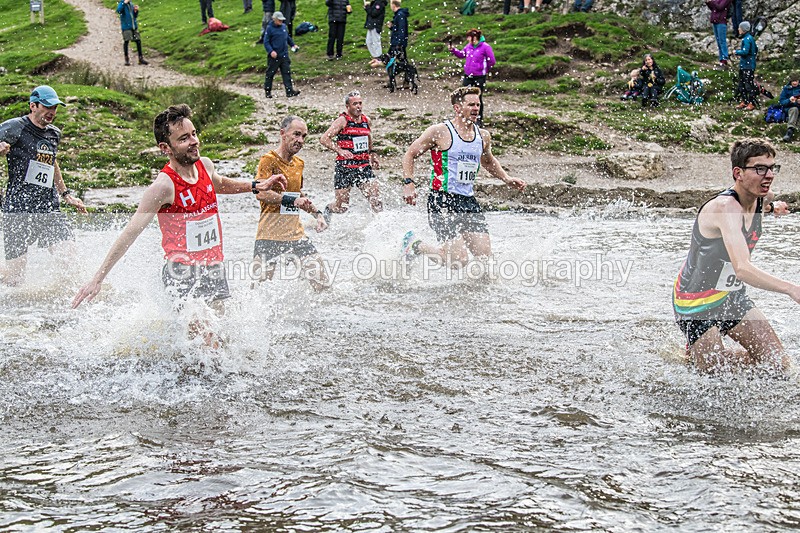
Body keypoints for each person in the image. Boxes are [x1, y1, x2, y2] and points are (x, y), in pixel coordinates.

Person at [71, 104, 287, 345]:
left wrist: (257, 185)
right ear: (166, 148)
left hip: (213, 267)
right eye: (184, 138)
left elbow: (219, 184)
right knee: (208, 340)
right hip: (180, 273)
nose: (194, 141)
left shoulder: (204, 165)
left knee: (220, 340)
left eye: (194, 134)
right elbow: (131, 231)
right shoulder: (163, 187)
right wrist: (98, 279)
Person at [672, 139, 799, 373]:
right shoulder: (724, 207)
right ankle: (699, 358)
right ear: (738, 173)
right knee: (714, 374)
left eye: (772, 168)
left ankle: (699, 357)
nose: (769, 175)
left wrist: (774, 208)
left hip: (731, 295)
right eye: (760, 168)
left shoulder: (761, 196)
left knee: (777, 366)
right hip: (696, 301)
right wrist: (792, 288)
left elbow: (767, 200)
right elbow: (742, 268)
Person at [400, 87, 526, 267]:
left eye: (478, 104)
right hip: (442, 200)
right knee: (458, 261)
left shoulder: (483, 136)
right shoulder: (439, 131)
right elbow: (410, 154)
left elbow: (488, 161)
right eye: (471, 105)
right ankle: (415, 245)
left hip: (468, 201)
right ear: (457, 108)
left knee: (485, 261)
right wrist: (408, 183)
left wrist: (506, 178)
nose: (476, 108)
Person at [0, 86, 87, 286]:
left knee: (69, 261)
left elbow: (51, 162)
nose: (52, 112)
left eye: (55, 108)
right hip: (18, 209)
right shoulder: (15, 127)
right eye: (47, 107)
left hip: (48, 207)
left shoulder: (53, 133)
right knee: (14, 280)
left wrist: (66, 194)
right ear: (33, 106)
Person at [252, 116, 330, 291]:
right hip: (269, 235)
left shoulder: (299, 164)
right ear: (283, 134)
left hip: (296, 235)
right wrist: (293, 200)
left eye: (304, 136)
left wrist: (318, 214)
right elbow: (261, 193)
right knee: (258, 292)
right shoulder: (268, 160)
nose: (300, 140)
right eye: (296, 134)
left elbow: (298, 194)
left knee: (322, 283)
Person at [319, 90, 383, 224]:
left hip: (363, 166)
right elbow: (324, 139)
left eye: (360, 103)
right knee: (341, 207)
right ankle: (328, 210)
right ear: (348, 106)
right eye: (355, 104)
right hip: (345, 168)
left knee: (376, 201)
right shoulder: (342, 121)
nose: (358, 106)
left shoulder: (366, 120)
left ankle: (380, 228)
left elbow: (368, 137)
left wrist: (372, 154)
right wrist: (339, 150)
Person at [449, 29, 495, 126]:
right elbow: (462, 54)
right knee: (463, 96)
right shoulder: (469, 46)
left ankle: (478, 119)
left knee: (478, 98)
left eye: (469, 37)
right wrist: (454, 50)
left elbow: (492, 61)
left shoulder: (485, 47)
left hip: (479, 77)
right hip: (468, 75)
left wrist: (484, 70)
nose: (467, 39)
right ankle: (463, 115)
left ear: (474, 37)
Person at [263, 11, 301, 99]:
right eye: (279, 20)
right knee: (270, 73)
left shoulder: (284, 27)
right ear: (274, 19)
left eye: (282, 20)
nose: (281, 22)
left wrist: (293, 45)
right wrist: (271, 51)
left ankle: (289, 91)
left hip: (284, 55)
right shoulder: (269, 28)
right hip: (274, 56)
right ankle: (267, 91)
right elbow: (266, 42)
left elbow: (287, 38)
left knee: (286, 73)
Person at [734, 21, 758, 111]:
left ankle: (751, 102)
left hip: (747, 66)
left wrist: (736, 52)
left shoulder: (746, 39)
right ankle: (744, 101)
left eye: (740, 28)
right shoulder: (750, 38)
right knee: (742, 84)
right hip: (746, 65)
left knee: (748, 84)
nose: (738, 29)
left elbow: (745, 52)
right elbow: (756, 49)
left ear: (743, 30)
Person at [116, 0, 148, 66]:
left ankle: (140, 58)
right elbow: (119, 11)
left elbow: (134, 16)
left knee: (138, 41)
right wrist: (124, 3)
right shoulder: (121, 3)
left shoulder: (131, 4)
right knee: (126, 41)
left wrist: (135, 11)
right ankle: (126, 59)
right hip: (126, 27)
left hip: (133, 26)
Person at [706, 0, 731, 69]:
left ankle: (724, 58)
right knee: (718, 41)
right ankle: (721, 58)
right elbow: (713, 8)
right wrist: (708, 3)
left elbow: (720, 7)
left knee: (722, 41)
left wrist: (712, 2)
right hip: (715, 21)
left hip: (721, 21)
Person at [365, 0, 386, 67]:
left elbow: (374, 13)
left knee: (376, 41)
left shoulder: (379, 3)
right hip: (371, 25)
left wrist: (367, 7)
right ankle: (375, 57)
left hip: (376, 25)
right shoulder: (374, 3)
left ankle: (379, 58)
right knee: (368, 41)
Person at [779, 73, 800, 142]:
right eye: (793, 81)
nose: (794, 83)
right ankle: (789, 132)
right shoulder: (786, 89)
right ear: (790, 81)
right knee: (794, 109)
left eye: (796, 81)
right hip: (789, 108)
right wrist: (789, 100)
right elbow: (782, 102)